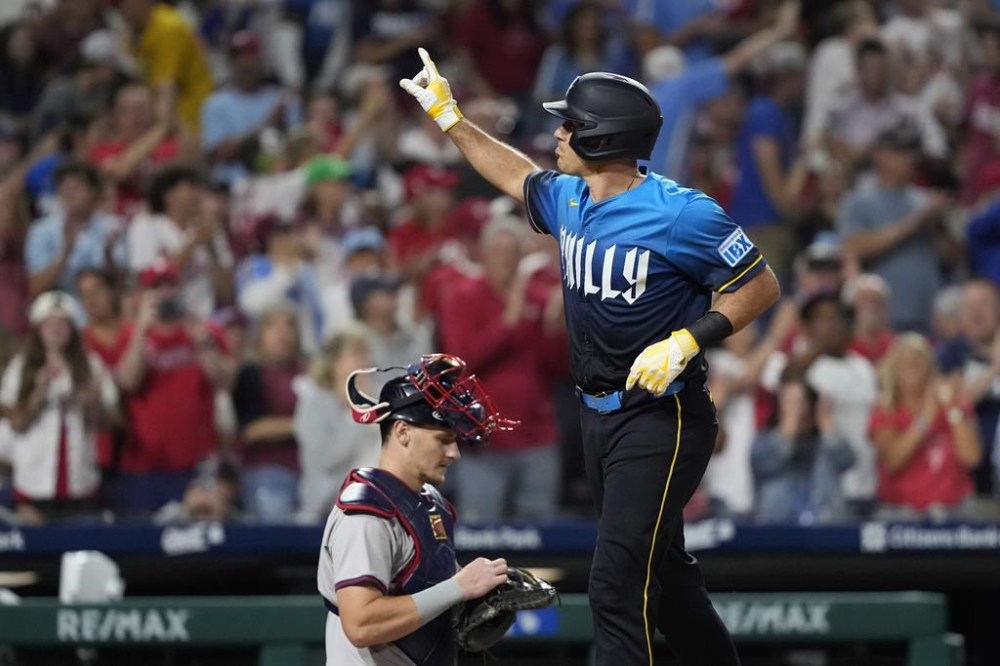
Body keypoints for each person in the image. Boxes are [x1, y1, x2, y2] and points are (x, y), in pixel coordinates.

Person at [400, 50, 780, 665]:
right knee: (668, 574)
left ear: (602, 136)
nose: (557, 134)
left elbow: (759, 284)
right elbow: (514, 175)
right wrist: (450, 116)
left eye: (569, 125)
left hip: (664, 416)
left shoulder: (682, 212)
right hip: (596, 417)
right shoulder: (571, 197)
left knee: (614, 585)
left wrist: (691, 337)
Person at [319, 353, 513, 664]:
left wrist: (483, 588)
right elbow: (360, 623)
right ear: (403, 433)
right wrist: (459, 587)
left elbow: (422, 582)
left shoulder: (430, 502)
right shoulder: (367, 512)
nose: (454, 453)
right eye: (443, 439)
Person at [0, 291, 119, 524]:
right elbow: (15, 422)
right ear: (38, 329)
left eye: (63, 322)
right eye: (49, 323)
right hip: (34, 485)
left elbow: (113, 421)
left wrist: (92, 403)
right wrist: (37, 393)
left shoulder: (91, 365)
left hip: (80, 484)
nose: (56, 329)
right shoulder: (21, 366)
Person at [871, 333, 981, 519]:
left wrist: (952, 409)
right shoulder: (885, 410)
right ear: (893, 371)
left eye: (917, 361)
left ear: (930, 367)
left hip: (955, 510)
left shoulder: (956, 404)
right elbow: (894, 460)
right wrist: (926, 417)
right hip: (901, 513)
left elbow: (971, 458)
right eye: (905, 363)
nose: (911, 368)